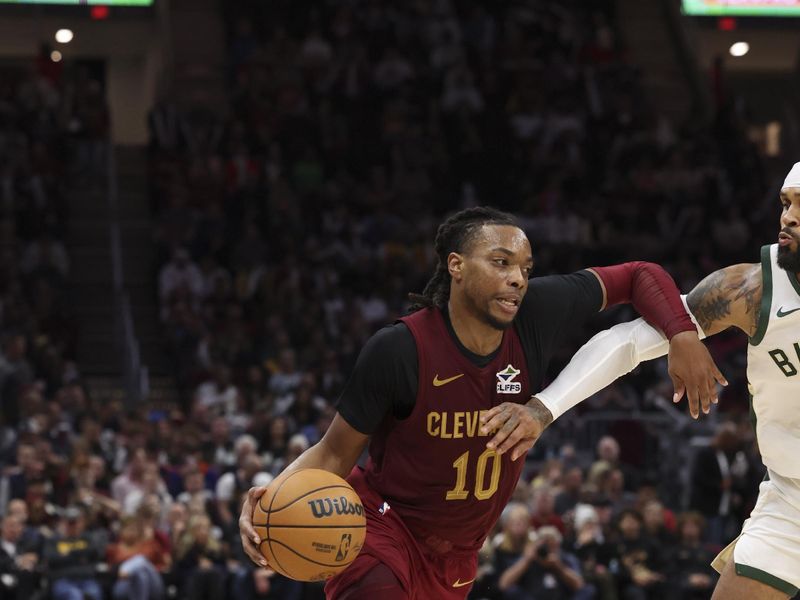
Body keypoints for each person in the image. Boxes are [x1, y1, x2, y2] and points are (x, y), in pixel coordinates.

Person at [238, 206, 722, 599]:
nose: (518, 279)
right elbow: (332, 454)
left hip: (459, 558)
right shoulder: (399, 350)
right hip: (381, 530)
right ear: (456, 266)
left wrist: (681, 334)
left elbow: (639, 275)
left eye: (525, 269)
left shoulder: (536, 312)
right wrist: (268, 502)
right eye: (501, 262)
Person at [531, 163, 800, 598]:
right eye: (786, 203)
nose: (788, 217)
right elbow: (630, 343)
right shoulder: (751, 289)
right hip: (792, 501)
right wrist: (543, 408)